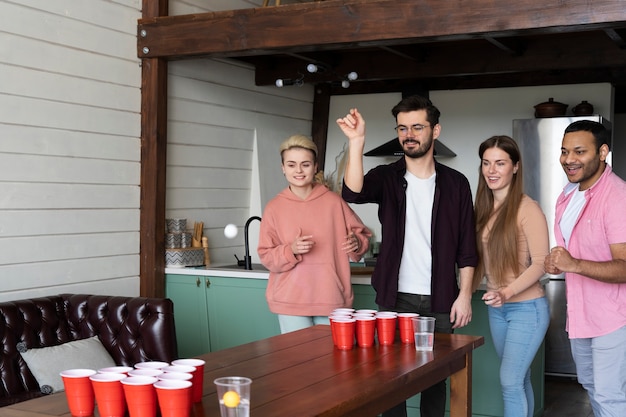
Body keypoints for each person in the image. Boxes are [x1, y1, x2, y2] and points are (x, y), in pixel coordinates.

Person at [336, 95, 477, 417]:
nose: (409, 134)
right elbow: (352, 192)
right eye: (402, 128)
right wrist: (356, 142)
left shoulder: (456, 184)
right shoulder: (387, 177)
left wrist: (465, 295)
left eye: (417, 126)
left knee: (434, 379)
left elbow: (467, 248)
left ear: (435, 130)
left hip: (441, 299)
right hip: (394, 298)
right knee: (391, 379)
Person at [544, 120, 626, 417]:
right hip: (580, 315)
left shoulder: (617, 197)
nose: (569, 159)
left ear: (603, 152)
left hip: (614, 319)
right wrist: (556, 262)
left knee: (609, 397)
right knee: (591, 387)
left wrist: (574, 264)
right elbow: (569, 254)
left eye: (579, 151)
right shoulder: (568, 195)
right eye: (565, 151)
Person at [258, 134, 372, 334]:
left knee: (331, 363)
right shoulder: (273, 208)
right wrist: (290, 250)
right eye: (292, 165)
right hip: (290, 300)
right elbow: (266, 256)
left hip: (331, 297)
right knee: (299, 363)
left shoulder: (334, 202)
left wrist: (356, 243)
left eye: (305, 164)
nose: (299, 171)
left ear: (315, 166)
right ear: (283, 168)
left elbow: (362, 237)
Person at [473, 136, 550, 417]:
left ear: (515, 167)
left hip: (527, 310)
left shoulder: (527, 208)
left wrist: (507, 292)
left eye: (500, 163)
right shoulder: (483, 208)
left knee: (509, 381)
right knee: (520, 379)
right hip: (498, 310)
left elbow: (542, 264)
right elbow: (478, 260)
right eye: (486, 163)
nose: (492, 170)